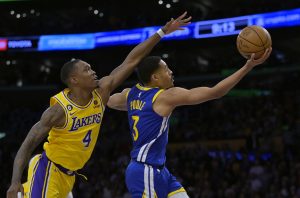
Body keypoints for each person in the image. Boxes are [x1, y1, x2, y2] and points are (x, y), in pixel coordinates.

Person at [7, 12, 192, 198]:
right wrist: (14, 182)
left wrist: (162, 32)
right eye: (87, 70)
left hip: (69, 176)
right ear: (74, 80)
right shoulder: (58, 110)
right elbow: (27, 145)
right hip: (48, 170)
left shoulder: (101, 93)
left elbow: (132, 61)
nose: (93, 71)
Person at [107, 48, 272, 197]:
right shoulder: (166, 96)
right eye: (166, 69)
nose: (171, 72)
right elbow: (216, 92)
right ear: (155, 77)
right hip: (144, 172)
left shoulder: (129, 95)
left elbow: (107, 100)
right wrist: (247, 67)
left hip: (160, 171)